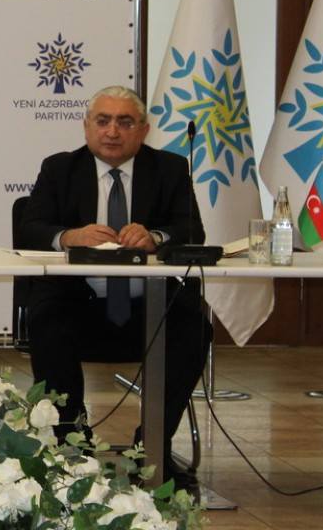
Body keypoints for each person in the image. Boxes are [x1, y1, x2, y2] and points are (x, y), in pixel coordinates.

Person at [17, 85, 209, 493]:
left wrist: (156, 236)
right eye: (103, 121)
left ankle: (151, 447)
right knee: (47, 317)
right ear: (87, 126)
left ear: (144, 130)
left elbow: (191, 229)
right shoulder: (60, 169)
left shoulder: (170, 168)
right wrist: (69, 236)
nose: (112, 131)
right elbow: (30, 228)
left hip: (148, 309)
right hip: (79, 307)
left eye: (125, 122)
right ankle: (71, 445)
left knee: (194, 327)